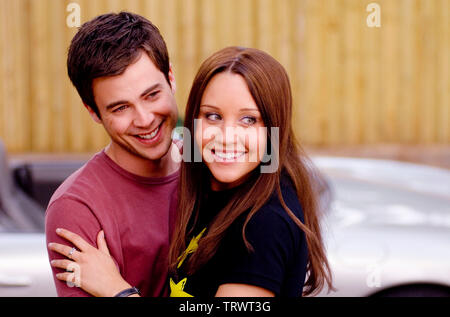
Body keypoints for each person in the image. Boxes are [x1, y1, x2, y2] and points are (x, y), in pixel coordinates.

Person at [49, 47, 333, 297]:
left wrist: (116, 290)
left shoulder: (263, 225)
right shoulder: (215, 185)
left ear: (275, 128)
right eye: (213, 116)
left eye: (249, 119)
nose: (227, 136)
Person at [45, 12, 182, 297]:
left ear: (170, 77)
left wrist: (118, 292)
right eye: (121, 108)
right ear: (93, 112)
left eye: (152, 95)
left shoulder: (213, 165)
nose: (144, 119)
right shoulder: (76, 209)